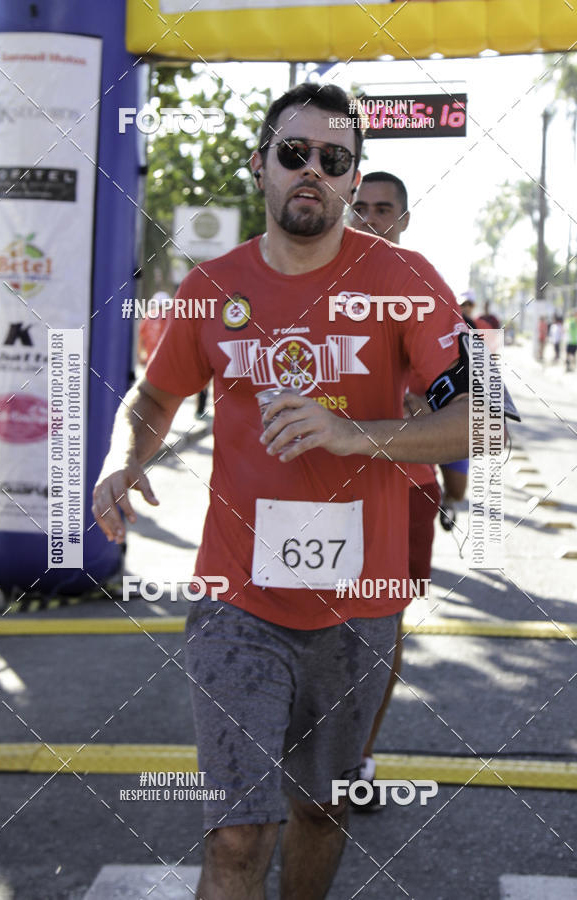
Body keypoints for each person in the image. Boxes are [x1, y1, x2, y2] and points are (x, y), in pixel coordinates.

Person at [92, 84, 470, 900]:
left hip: (358, 607)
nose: (312, 171)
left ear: (351, 177)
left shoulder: (407, 282)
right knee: (236, 835)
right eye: (293, 153)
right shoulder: (209, 289)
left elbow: (488, 421)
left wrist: (354, 433)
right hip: (238, 599)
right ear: (259, 165)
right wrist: (124, 457)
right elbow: (154, 399)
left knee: (320, 813)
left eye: (333, 160)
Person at [350, 171, 468, 798]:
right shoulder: (315, 278)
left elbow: (474, 405)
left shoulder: (419, 285)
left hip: (404, 486)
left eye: (383, 210)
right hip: (316, 491)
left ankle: (357, 756)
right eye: (360, 207)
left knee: (380, 628)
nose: (370, 219)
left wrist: (453, 486)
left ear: (404, 218)